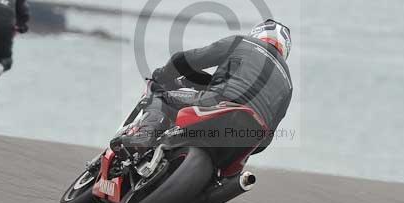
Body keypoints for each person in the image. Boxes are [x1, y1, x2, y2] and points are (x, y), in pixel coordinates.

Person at [113, 19, 293, 153]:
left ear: (258, 33)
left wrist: (162, 75)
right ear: (285, 49)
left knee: (158, 95)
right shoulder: (288, 83)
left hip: (220, 102)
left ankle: (144, 135)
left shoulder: (243, 42)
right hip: (250, 135)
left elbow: (188, 60)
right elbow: (267, 139)